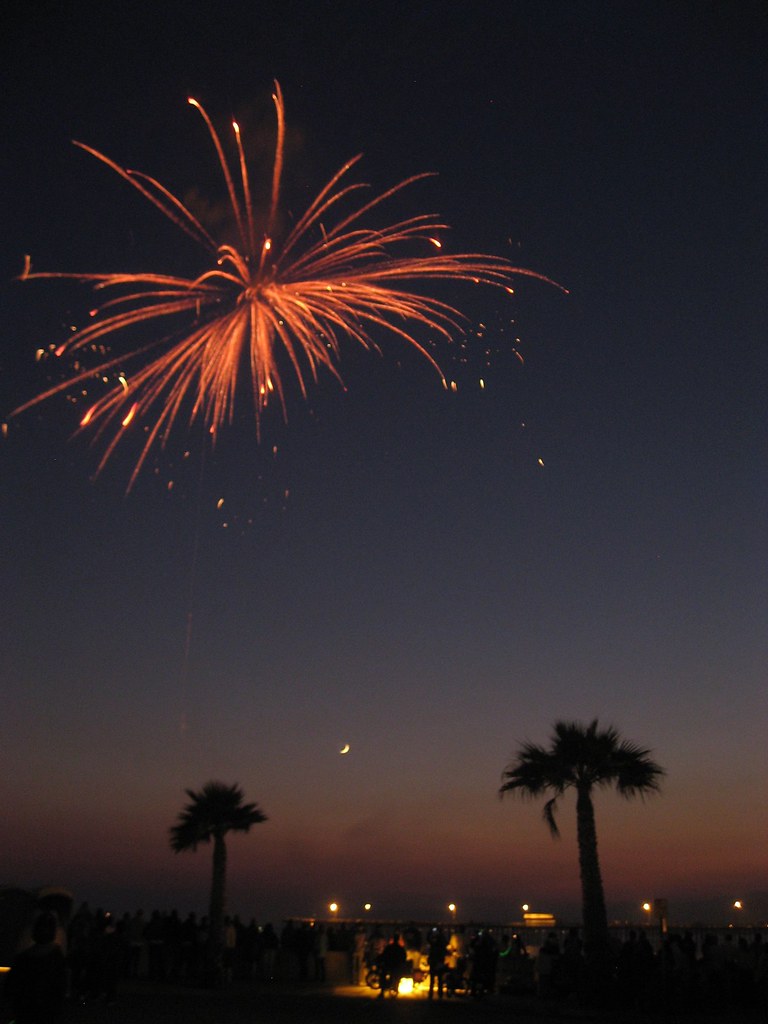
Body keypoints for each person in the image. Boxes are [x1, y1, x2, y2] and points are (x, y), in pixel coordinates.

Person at [7, 913, 67, 1024]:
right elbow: (60, 989)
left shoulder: (23, 958)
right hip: (46, 1012)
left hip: (25, 1010)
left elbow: (11, 987)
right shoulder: (57, 958)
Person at [378, 932, 406, 997]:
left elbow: (384, 955)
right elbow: (404, 957)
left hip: (389, 965)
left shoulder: (389, 947)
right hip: (396, 966)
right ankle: (394, 989)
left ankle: (382, 991)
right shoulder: (400, 948)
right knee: (396, 977)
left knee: (383, 976)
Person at [427, 926, 448, 999]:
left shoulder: (433, 942)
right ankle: (440, 994)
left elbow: (428, 939)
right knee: (439, 978)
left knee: (432, 979)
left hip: (434, 960)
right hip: (440, 960)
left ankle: (431, 994)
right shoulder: (442, 942)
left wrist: (430, 931)